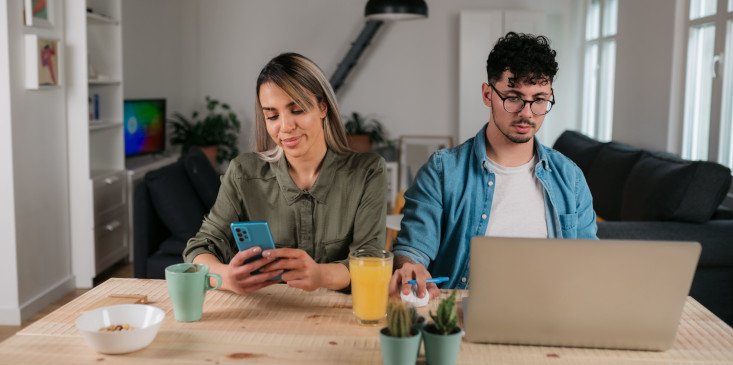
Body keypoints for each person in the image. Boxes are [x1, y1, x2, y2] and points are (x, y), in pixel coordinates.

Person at [389, 32, 597, 299]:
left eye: (540, 99)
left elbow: (589, 264)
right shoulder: (442, 172)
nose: (526, 112)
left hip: (550, 315)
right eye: (513, 97)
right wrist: (410, 268)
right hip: (464, 316)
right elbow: (413, 248)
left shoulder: (571, 178)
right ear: (488, 94)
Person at [183, 52, 387, 294]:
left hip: (337, 313)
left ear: (322, 107)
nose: (286, 127)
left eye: (297, 109)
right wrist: (226, 277)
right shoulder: (242, 172)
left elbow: (370, 259)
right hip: (263, 313)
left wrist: (320, 275)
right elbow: (200, 247)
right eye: (272, 115)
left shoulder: (367, 172)